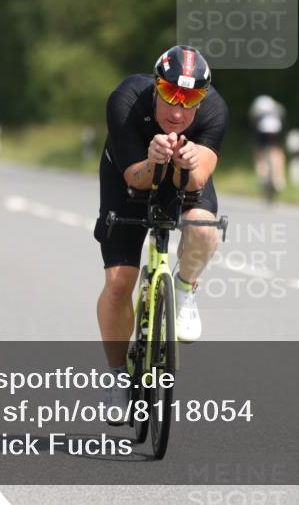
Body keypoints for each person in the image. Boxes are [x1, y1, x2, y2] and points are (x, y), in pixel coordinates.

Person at [94, 45, 228, 422]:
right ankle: (118, 378)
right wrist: (154, 160)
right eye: (170, 95)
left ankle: (184, 289)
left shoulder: (216, 111)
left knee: (203, 228)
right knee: (120, 283)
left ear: (204, 98)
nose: (177, 111)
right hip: (131, 173)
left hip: (181, 175)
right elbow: (134, 179)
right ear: (156, 87)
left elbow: (199, 179)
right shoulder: (125, 100)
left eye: (190, 100)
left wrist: (187, 163)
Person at [248, 94, 287, 194]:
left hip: (262, 130)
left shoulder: (257, 106)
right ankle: (279, 179)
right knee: (277, 151)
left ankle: (262, 174)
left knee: (259, 151)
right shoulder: (277, 107)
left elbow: (253, 121)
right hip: (276, 129)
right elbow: (283, 117)